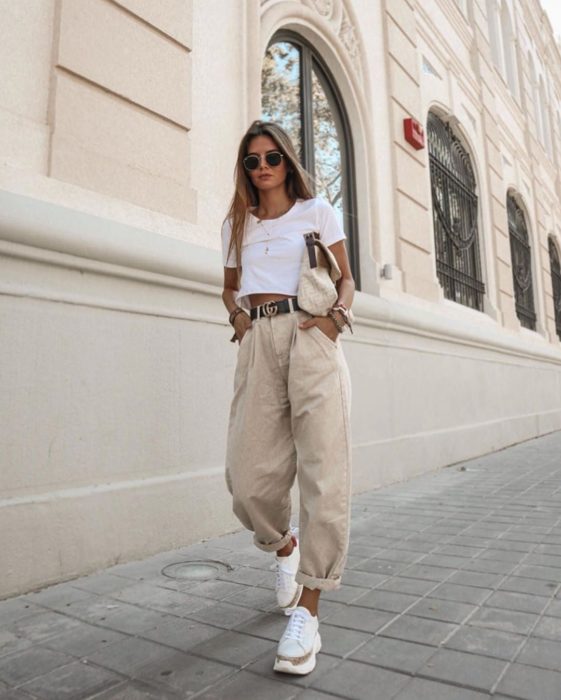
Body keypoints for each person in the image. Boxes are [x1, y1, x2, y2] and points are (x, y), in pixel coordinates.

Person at [221, 120, 354, 675]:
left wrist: (336, 321)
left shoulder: (318, 212)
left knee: (324, 473)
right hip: (259, 338)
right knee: (248, 479)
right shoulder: (236, 223)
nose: (263, 168)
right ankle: (283, 548)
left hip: (311, 336)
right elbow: (230, 284)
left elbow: (347, 278)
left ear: (288, 160)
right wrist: (237, 318)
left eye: (271, 157)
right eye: (252, 161)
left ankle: (310, 609)